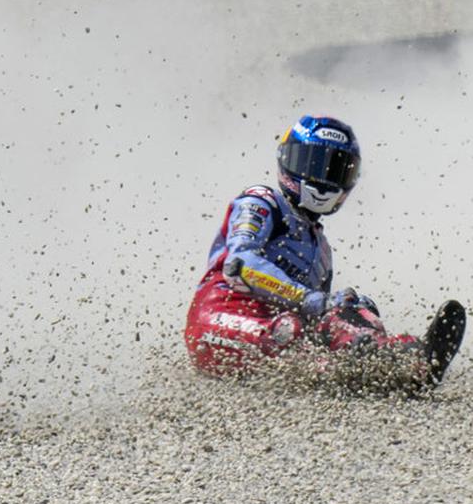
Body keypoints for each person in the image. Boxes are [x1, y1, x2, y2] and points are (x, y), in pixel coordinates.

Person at [184, 115, 465, 385]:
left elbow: (319, 317)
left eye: (335, 168)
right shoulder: (262, 201)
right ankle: (371, 365)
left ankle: (403, 362)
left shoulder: (322, 250)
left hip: (281, 335)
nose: (323, 176)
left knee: (343, 315)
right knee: (291, 330)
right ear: (289, 159)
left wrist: (350, 308)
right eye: (314, 163)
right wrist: (308, 299)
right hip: (220, 317)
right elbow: (240, 264)